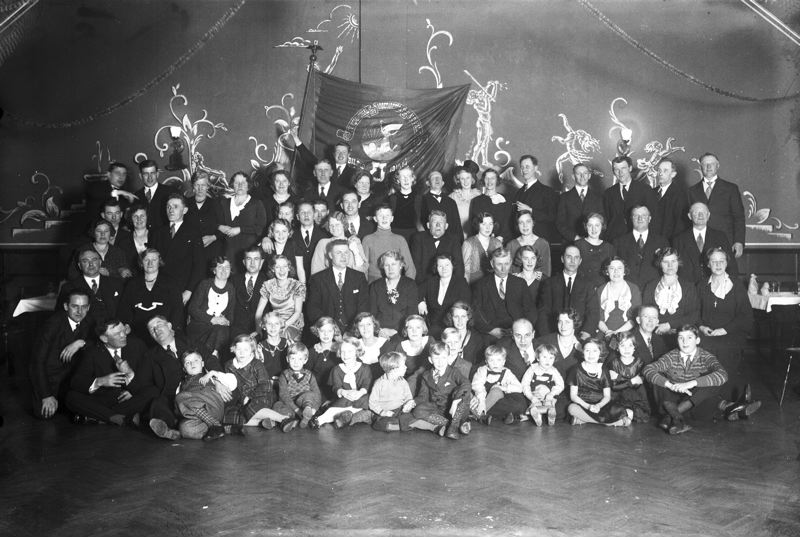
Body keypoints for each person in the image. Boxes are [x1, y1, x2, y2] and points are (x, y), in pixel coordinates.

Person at [65, 319, 159, 426]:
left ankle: (102, 417)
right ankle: (119, 418)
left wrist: (131, 382)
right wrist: (100, 381)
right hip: (105, 399)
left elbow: (148, 377)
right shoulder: (92, 352)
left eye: (123, 330)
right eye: (117, 334)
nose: (123, 335)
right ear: (104, 338)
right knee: (71, 397)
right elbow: (76, 382)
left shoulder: (137, 345)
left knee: (154, 392)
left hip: (131, 398)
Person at [643, 324, 730, 435]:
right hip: (671, 400)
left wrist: (691, 383)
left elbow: (723, 374)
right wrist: (670, 385)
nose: (685, 342)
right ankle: (677, 418)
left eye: (689, 337)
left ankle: (670, 417)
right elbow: (647, 369)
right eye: (681, 338)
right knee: (657, 378)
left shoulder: (706, 357)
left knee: (712, 382)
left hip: (693, 401)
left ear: (697, 340)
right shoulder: (671, 356)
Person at [697, 248, 756, 404]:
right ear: (708, 264)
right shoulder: (702, 285)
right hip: (707, 333)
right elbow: (695, 312)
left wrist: (725, 330)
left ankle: (729, 400)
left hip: (731, 334)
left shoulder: (736, 285)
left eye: (721, 261)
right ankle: (714, 403)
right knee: (702, 349)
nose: (718, 265)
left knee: (725, 351)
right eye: (714, 261)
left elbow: (746, 316)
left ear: (726, 263)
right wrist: (702, 327)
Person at [29, 290, 93, 420]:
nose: (79, 311)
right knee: (44, 414)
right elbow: (37, 362)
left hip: (71, 378)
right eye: (75, 306)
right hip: (50, 378)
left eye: (84, 307)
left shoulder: (88, 320)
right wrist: (46, 395)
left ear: (88, 307)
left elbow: (97, 342)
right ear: (65, 306)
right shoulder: (52, 325)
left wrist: (80, 343)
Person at [687, 153, 746, 263]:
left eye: (712, 164)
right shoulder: (692, 191)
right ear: (700, 167)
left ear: (717, 166)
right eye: (705, 164)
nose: (709, 167)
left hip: (725, 242)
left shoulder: (731, 189)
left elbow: (739, 217)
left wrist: (739, 241)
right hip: (700, 242)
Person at [117, 248, 184, 341]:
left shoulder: (170, 283)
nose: (150, 263)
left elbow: (177, 308)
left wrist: (171, 328)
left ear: (159, 262)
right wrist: (126, 325)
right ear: (141, 262)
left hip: (163, 332)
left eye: (154, 260)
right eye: (146, 260)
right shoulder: (132, 284)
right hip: (138, 332)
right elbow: (124, 308)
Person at [150, 193, 205, 305]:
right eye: (168, 207)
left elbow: (199, 265)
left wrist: (189, 290)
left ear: (184, 210)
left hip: (182, 289)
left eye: (175, 207)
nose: (171, 210)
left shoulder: (193, 233)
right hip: (159, 287)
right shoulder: (158, 233)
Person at [224, 334, 288, 430]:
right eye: (238, 349)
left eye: (246, 350)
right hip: (242, 399)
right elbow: (230, 384)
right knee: (228, 417)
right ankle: (267, 422)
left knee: (252, 408)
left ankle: (283, 419)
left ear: (251, 350)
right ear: (233, 349)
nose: (242, 353)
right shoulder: (229, 365)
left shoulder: (256, 364)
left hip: (261, 395)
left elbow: (265, 385)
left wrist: (250, 396)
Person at [411, 341, 472, 439]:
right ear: (430, 360)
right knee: (418, 410)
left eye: (443, 358)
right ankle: (449, 424)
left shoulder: (454, 372)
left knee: (461, 391)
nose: (440, 362)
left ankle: (453, 428)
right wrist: (413, 402)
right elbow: (423, 396)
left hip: (456, 410)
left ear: (448, 358)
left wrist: (456, 401)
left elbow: (466, 383)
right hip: (438, 409)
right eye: (436, 358)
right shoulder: (426, 375)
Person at [173, 351, 239, 440]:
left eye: (196, 360)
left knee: (180, 397)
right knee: (184, 428)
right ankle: (220, 428)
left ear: (202, 364)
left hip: (212, 405)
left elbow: (233, 383)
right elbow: (180, 407)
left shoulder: (210, 377)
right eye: (188, 362)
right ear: (184, 369)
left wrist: (213, 374)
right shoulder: (181, 385)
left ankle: (214, 424)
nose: (192, 363)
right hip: (201, 416)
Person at [306, 239, 369, 332]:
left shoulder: (359, 277)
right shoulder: (318, 279)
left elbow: (364, 307)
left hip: (354, 331)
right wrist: (329, 328)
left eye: (346, 253)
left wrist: (353, 331)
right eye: (339, 253)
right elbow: (313, 309)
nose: (343, 256)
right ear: (330, 255)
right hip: (327, 331)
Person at [309, 336, 373, 429]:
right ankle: (320, 420)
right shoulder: (337, 369)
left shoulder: (365, 368)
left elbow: (366, 385)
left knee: (366, 400)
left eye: (350, 351)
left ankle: (343, 416)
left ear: (356, 352)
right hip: (345, 398)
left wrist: (360, 393)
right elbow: (336, 387)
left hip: (361, 396)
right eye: (343, 352)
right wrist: (343, 392)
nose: (346, 355)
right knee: (339, 405)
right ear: (339, 352)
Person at [471, 247, 534, 339]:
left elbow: (530, 311)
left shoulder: (520, 283)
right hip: (491, 334)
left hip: (518, 333)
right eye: (499, 264)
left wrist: (522, 329)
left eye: (506, 264)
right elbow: (475, 313)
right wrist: (490, 330)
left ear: (511, 262)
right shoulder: (481, 285)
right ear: (492, 264)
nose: (503, 269)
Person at [566, 337, 629, 426]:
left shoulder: (604, 370)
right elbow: (573, 396)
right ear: (582, 352)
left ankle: (582, 420)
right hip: (583, 404)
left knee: (623, 410)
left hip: (601, 404)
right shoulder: (575, 370)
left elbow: (607, 396)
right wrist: (588, 406)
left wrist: (598, 406)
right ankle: (613, 422)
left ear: (600, 353)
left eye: (595, 351)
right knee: (572, 408)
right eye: (587, 350)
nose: (591, 354)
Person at [641, 247, 700, 343]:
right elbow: (646, 313)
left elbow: (693, 315)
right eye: (665, 262)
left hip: (681, 335)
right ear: (660, 264)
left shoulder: (689, 286)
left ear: (678, 262)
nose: (670, 265)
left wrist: (669, 325)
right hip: (655, 333)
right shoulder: (650, 286)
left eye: (673, 261)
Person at [672, 202, 734, 284]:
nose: (700, 215)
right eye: (696, 212)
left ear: (708, 215)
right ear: (689, 216)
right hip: (688, 287)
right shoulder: (679, 240)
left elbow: (731, 265)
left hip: (715, 286)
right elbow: (674, 268)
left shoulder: (720, 237)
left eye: (703, 212)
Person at [536, 245, 592, 336]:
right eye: (569, 257)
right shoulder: (549, 283)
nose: (572, 261)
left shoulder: (588, 285)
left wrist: (585, 334)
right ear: (562, 259)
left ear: (580, 261)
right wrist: (547, 337)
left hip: (579, 336)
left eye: (576, 258)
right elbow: (543, 313)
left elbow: (592, 312)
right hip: (553, 334)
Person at [61, 246, 123, 327]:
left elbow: (125, 310)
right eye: (85, 261)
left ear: (100, 262)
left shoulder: (116, 283)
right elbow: (61, 317)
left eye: (94, 260)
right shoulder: (69, 287)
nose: (91, 264)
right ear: (79, 266)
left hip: (114, 330)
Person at [186, 256, 236, 358]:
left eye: (227, 267)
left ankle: (212, 356)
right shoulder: (205, 284)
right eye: (220, 267)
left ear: (230, 271)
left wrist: (227, 321)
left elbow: (231, 314)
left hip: (219, 328)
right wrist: (212, 319)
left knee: (222, 330)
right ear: (214, 270)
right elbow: (192, 309)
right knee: (219, 331)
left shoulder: (231, 288)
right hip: (200, 325)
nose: (223, 270)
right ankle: (211, 357)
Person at [611, 205, 669, 289]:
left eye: (644, 215)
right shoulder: (618, 242)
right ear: (631, 218)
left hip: (654, 290)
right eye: (636, 216)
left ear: (649, 219)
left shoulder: (662, 241)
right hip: (626, 290)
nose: (640, 218)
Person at [217, 171, 267, 267]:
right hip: (227, 251)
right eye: (237, 183)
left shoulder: (257, 204)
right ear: (232, 185)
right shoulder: (224, 203)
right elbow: (214, 223)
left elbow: (261, 228)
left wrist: (240, 229)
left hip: (249, 252)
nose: (240, 185)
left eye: (243, 183)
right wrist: (219, 227)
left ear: (248, 185)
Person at [603, 155, 658, 241]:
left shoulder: (645, 190)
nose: (620, 172)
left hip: (638, 240)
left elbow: (653, 217)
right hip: (614, 240)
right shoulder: (608, 193)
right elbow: (606, 220)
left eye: (623, 168)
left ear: (630, 168)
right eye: (616, 169)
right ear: (613, 172)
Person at [585, 257, 642, 339]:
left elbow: (635, 317)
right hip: (605, 332)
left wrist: (617, 333)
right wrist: (608, 332)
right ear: (607, 272)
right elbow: (597, 318)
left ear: (624, 271)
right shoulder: (600, 290)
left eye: (619, 268)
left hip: (628, 332)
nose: (616, 271)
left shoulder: (633, 289)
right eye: (612, 268)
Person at [470, 345, 528, 424]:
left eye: (499, 360)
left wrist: (503, 388)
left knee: (499, 393)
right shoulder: (482, 370)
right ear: (486, 361)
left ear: (504, 361)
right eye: (491, 360)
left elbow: (519, 388)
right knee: (468, 396)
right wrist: (481, 401)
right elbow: (477, 386)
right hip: (482, 398)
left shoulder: (507, 372)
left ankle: (478, 414)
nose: (495, 363)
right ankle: (484, 415)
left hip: (498, 401)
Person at [271, 342, 322, 431]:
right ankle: (282, 420)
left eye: (300, 359)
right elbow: (284, 395)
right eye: (293, 358)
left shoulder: (309, 374)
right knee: (277, 405)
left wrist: (314, 409)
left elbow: (317, 393)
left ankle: (306, 413)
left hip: (306, 403)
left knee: (309, 395)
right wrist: (297, 410)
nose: (296, 362)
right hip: (291, 405)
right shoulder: (284, 375)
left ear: (305, 360)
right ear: (287, 359)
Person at [254, 254, 306, 341]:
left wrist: (284, 325)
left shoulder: (297, 285)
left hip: (291, 323)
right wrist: (258, 329)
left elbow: (298, 312)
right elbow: (259, 312)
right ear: (273, 269)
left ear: (289, 268)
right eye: (277, 267)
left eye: (284, 266)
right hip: (273, 323)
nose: (282, 270)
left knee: (280, 336)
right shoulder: (268, 285)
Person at [417, 254, 471, 338]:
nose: (444, 268)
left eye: (447, 265)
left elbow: (466, 307)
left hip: (454, 327)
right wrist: (420, 302)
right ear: (436, 268)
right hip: (433, 327)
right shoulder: (430, 282)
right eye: (440, 266)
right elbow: (415, 292)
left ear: (452, 266)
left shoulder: (461, 283)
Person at [369, 250, 418, 337]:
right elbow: (372, 314)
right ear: (383, 267)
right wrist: (379, 331)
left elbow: (412, 314)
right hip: (380, 333)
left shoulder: (410, 285)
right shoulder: (375, 286)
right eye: (386, 265)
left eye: (393, 264)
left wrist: (398, 332)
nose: (390, 268)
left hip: (402, 333)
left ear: (401, 266)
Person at [362, 204, 416, 283]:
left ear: (392, 218)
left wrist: (407, 286)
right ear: (375, 219)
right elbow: (363, 268)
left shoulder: (400, 240)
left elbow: (410, 268)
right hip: (373, 284)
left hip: (395, 284)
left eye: (387, 215)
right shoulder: (367, 239)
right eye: (381, 215)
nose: (384, 218)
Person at [606, 331, 650, 423]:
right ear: (617, 348)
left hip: (636, 395)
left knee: (641, 414)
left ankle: (628, 414)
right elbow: (614, 387)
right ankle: (625, 414)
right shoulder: (613, 363)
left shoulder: (639, 362)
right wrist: (631, 381)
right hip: (618, 395)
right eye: (622, 346)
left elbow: (638, 384)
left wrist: (619, 377)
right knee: (612, 409)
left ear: (634, 347)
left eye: (630, 345)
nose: (626, 349)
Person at [512, 154, 559, 242]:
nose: (524, 170)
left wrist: (531, 210)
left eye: (527, 167)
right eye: (522, 167)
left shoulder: (547, 192)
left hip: (540, 240)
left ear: (536, 168)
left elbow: (552, 217)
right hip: (521, 241)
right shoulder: (518, 193)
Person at [409, 210, 464, 284]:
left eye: (441, 222)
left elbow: (459, 267)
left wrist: (453, 286)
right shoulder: (418, 239)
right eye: (435, 222)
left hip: (447, 284)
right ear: (428, 225)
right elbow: (415, 267)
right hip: (424, 284)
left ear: (446, 226)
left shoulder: (454, 240)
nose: (438, 225)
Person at [556, 163, 604, 244]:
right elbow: (560, 223)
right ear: (573, 176)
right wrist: (575, 237)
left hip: (593, 242)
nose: (582, 176)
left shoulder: (599, 198)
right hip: (570, 242)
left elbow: (602, 220)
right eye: (578, 174)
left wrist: (592, 237)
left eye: (585, 173)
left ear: (589, 176)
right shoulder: (564, 197)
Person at [368, 351, 416, 432]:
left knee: (407, 417)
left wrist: (408, 403)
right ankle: (401, 425)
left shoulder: (403, 381)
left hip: (399, 410)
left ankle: (399, 424)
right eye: (403, 365)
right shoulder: (380, 383)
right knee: (381, 423)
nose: (406, 367)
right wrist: (382, 412)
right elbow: (372, 402)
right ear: (393, 369)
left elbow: (408, 396)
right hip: (385, 412)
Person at [310, 211, 367, 275]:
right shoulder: (323, 243)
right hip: (328, 280)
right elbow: (316, 270)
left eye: (337, 225)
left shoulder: (354, 242)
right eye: (331, 225)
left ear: (344, 225)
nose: (334, 228)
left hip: (352, 279)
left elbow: (362, 270)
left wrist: (355, 252)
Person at [521, 344, 564, 426]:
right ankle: (537, 416)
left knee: (550, 403)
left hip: (548, 396)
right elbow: (525, 384)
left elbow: (560, 385)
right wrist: (531, 397)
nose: (548, 361)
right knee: (535, 405)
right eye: (544, 357)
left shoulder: (554, 371)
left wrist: (551, 394)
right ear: (538, 358)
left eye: (551, 358)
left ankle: (551, 414)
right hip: (535, 396)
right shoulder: (532, 369)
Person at [230, 246, 268, 338]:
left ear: (262, 262)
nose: (252, 263)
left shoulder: (269, 281)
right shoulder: (233, 280)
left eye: (256, 259)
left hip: (262, 329)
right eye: (249, 259)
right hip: (237, 329)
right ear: (244, 262)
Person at [185, 170, 222, 265]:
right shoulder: (185, 204)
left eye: (203, 185)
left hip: (211, 253)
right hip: (190, 252)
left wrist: (213, 237)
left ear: (208, 186)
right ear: (193, 186)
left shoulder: (216, 204)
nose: (200, 188)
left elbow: (224, 227)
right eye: (197, 185)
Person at [469, 168, 512, 243]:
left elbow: (508, 223)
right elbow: (474, 224)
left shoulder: (505, 200)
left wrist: (501, 237)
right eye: (487, 178)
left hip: (502, 241)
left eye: (492, 178)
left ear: (497, 180)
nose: (489, 181)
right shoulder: (476, 201)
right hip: (482, 241)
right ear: (483, 180)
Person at [575, 212, 615, 291]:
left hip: (604, 290)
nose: (594, 229)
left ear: (602, 226)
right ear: (585, 227)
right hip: (583, 289)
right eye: (590, 225)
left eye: (597, 225)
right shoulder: (578, 245)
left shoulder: (609, 248)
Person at [290, 201, 330, 280]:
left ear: (314, 215)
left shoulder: (324, 235)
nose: (306, 215)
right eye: (302, 212)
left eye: (309, 212)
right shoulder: (292, 235)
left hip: (319, 279)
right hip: (297, 280)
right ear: (297, 216)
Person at [395, 315, 435, 393]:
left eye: (418, 327)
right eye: (410, 328)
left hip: (429, 383)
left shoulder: (430, 341)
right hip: (408, 385)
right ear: (406, 330)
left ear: (423, 329)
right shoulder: (401, 346)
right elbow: (397, 373)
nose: (414, 331)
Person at [651, 158, 689, 240]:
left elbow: (680, 225)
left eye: (665, 171)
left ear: (673, 174)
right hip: (651, 240)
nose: (661, 173)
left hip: (669, 242)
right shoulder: (651, 193)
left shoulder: (680, 195)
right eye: (659, 170)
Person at [418, 170, 462, 240]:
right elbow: (419, 223)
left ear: (443, 183)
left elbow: (457, 226)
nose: (437, 179)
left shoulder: (451, 202)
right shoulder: (421, 201)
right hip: (429, 241)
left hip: (449, 242)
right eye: (433, 178)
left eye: (439, 178)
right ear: (428, 183)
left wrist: (459, 242)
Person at [507, 210, 551, 278]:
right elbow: (508, 271)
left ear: (533, 223)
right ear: (518, 225)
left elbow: (546, 272)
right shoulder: (511, 245)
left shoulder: (543, 244)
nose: (525, 225)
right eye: (521, 222)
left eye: (528, 221)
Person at [462, 212, 503, 285]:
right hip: (473, 284)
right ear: (478, 225)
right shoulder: (468, 243)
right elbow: (465, 271)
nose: (488, 227)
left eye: (490, 224)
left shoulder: (497, 243)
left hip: (493, 284)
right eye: (484, 224)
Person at [135, 159, 175, 230]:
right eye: (146, 174)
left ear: (157, 174)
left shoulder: (170, 192)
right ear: (140, 176)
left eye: (152, 173)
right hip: (144, 236)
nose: (149, 177)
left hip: (165, 235)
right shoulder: (136, 196)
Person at [307, 316, 340, 400]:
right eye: (322, 331)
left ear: (334, 331)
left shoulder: (340, 350)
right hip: (316, 389)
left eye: (329, 331)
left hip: (336, 390)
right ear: (317, 331)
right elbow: (307, 373)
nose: (326, 334)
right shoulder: (312, 351)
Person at [350, 312, 390, 381]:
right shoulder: (354, 345)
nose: (365, 328)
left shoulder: (384, 344)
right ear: (357, 328)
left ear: (374, 325)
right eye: (361, 325)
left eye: (368, 324)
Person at [444, 301, 486, 367]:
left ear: (468, 317)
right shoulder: (446, 336)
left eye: (463, 316)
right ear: (451, 318)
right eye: (456, 316)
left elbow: (480, 365)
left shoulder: (477, 339)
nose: (460, 320)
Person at [387, 165, 421, 241]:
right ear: (398, 180)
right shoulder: (392, 198)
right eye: (402, 177)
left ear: (412, 178)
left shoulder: (420, 198)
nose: (406, 180)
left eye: (408, 176)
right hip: (395, 235)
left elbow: (422, 221)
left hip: (415, 235)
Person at [497, 318, 537, 383]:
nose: (523, 340)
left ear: (533, 334)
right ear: (512, 335)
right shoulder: (504, 347)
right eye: (518, 335)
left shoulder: (543, 347)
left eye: (527, 335)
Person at [116, 202, 151, 273]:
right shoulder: (123, 241)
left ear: (147, 217)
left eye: (142, 216)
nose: (139, 219)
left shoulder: (156, 237)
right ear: (131, 219)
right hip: (132, 278)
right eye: (135, 216)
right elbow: (120, 264)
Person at [449, 165, 482, 240]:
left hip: (476, 235)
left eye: (468, 178)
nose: (465, 181)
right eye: (462, 179)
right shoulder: (452, 197)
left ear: (472, 179)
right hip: (458, 235)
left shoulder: (479, 196)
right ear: (458, 180)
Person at [256, 312, 290, 377]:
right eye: (269, 324)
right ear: (264, 326)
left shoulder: (288, 344)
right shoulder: (259, 348)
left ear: (281, 325)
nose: (273, 327)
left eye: (276, 324)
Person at [511, 245, 543, 311]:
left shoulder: (544, 280)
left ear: (537, 259)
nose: (530, 262)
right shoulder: (512, 280)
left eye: (533, 258)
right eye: (526, 258)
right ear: (520, 259)